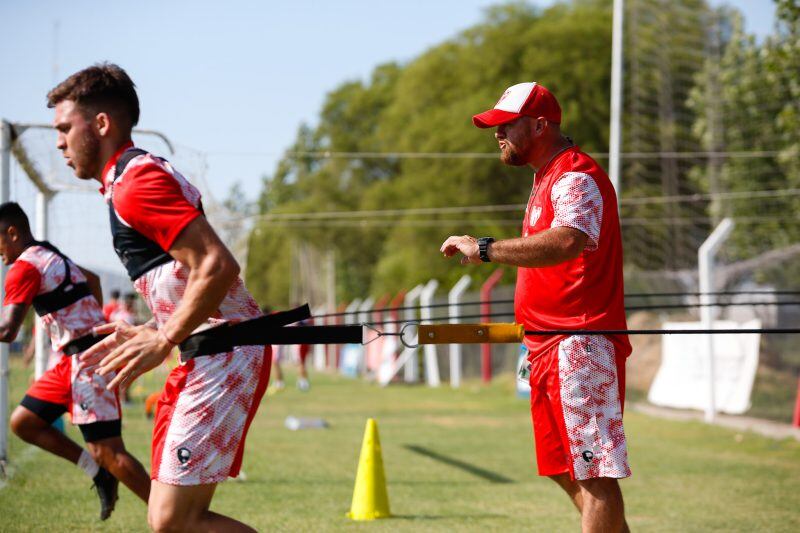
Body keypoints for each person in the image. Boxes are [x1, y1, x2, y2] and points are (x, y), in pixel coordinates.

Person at [49, 63, 270, 532]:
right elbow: (191, 275)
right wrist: (154, 326)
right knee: (166, 518)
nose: (59, 142)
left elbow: (218, 265)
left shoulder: (135, 184)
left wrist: (164, 336)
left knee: (173, 520)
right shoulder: (128, 180)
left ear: (102, 124)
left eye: (66, 127)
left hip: (223, 357)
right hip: (212, 353)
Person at [440, 82, 632, 533]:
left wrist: (485, 248)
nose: (497, 134)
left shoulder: (575, 176)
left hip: (579, 344)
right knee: (562, 467)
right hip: (546, 345)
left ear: (541, 125)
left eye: (506, 124)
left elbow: (568, 240)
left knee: (593, 471)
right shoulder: (545, 177)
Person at [0, 202, 151, 520]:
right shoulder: (50, 254)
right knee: (23, 422)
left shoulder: (24, 268)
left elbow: (8, 329)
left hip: (87, 364)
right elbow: (92, 279)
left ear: (12, 233)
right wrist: (88, 322)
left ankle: (172, 518)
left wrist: (87, 333)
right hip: (72, 362)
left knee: (109, 452)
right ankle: (98, 473)